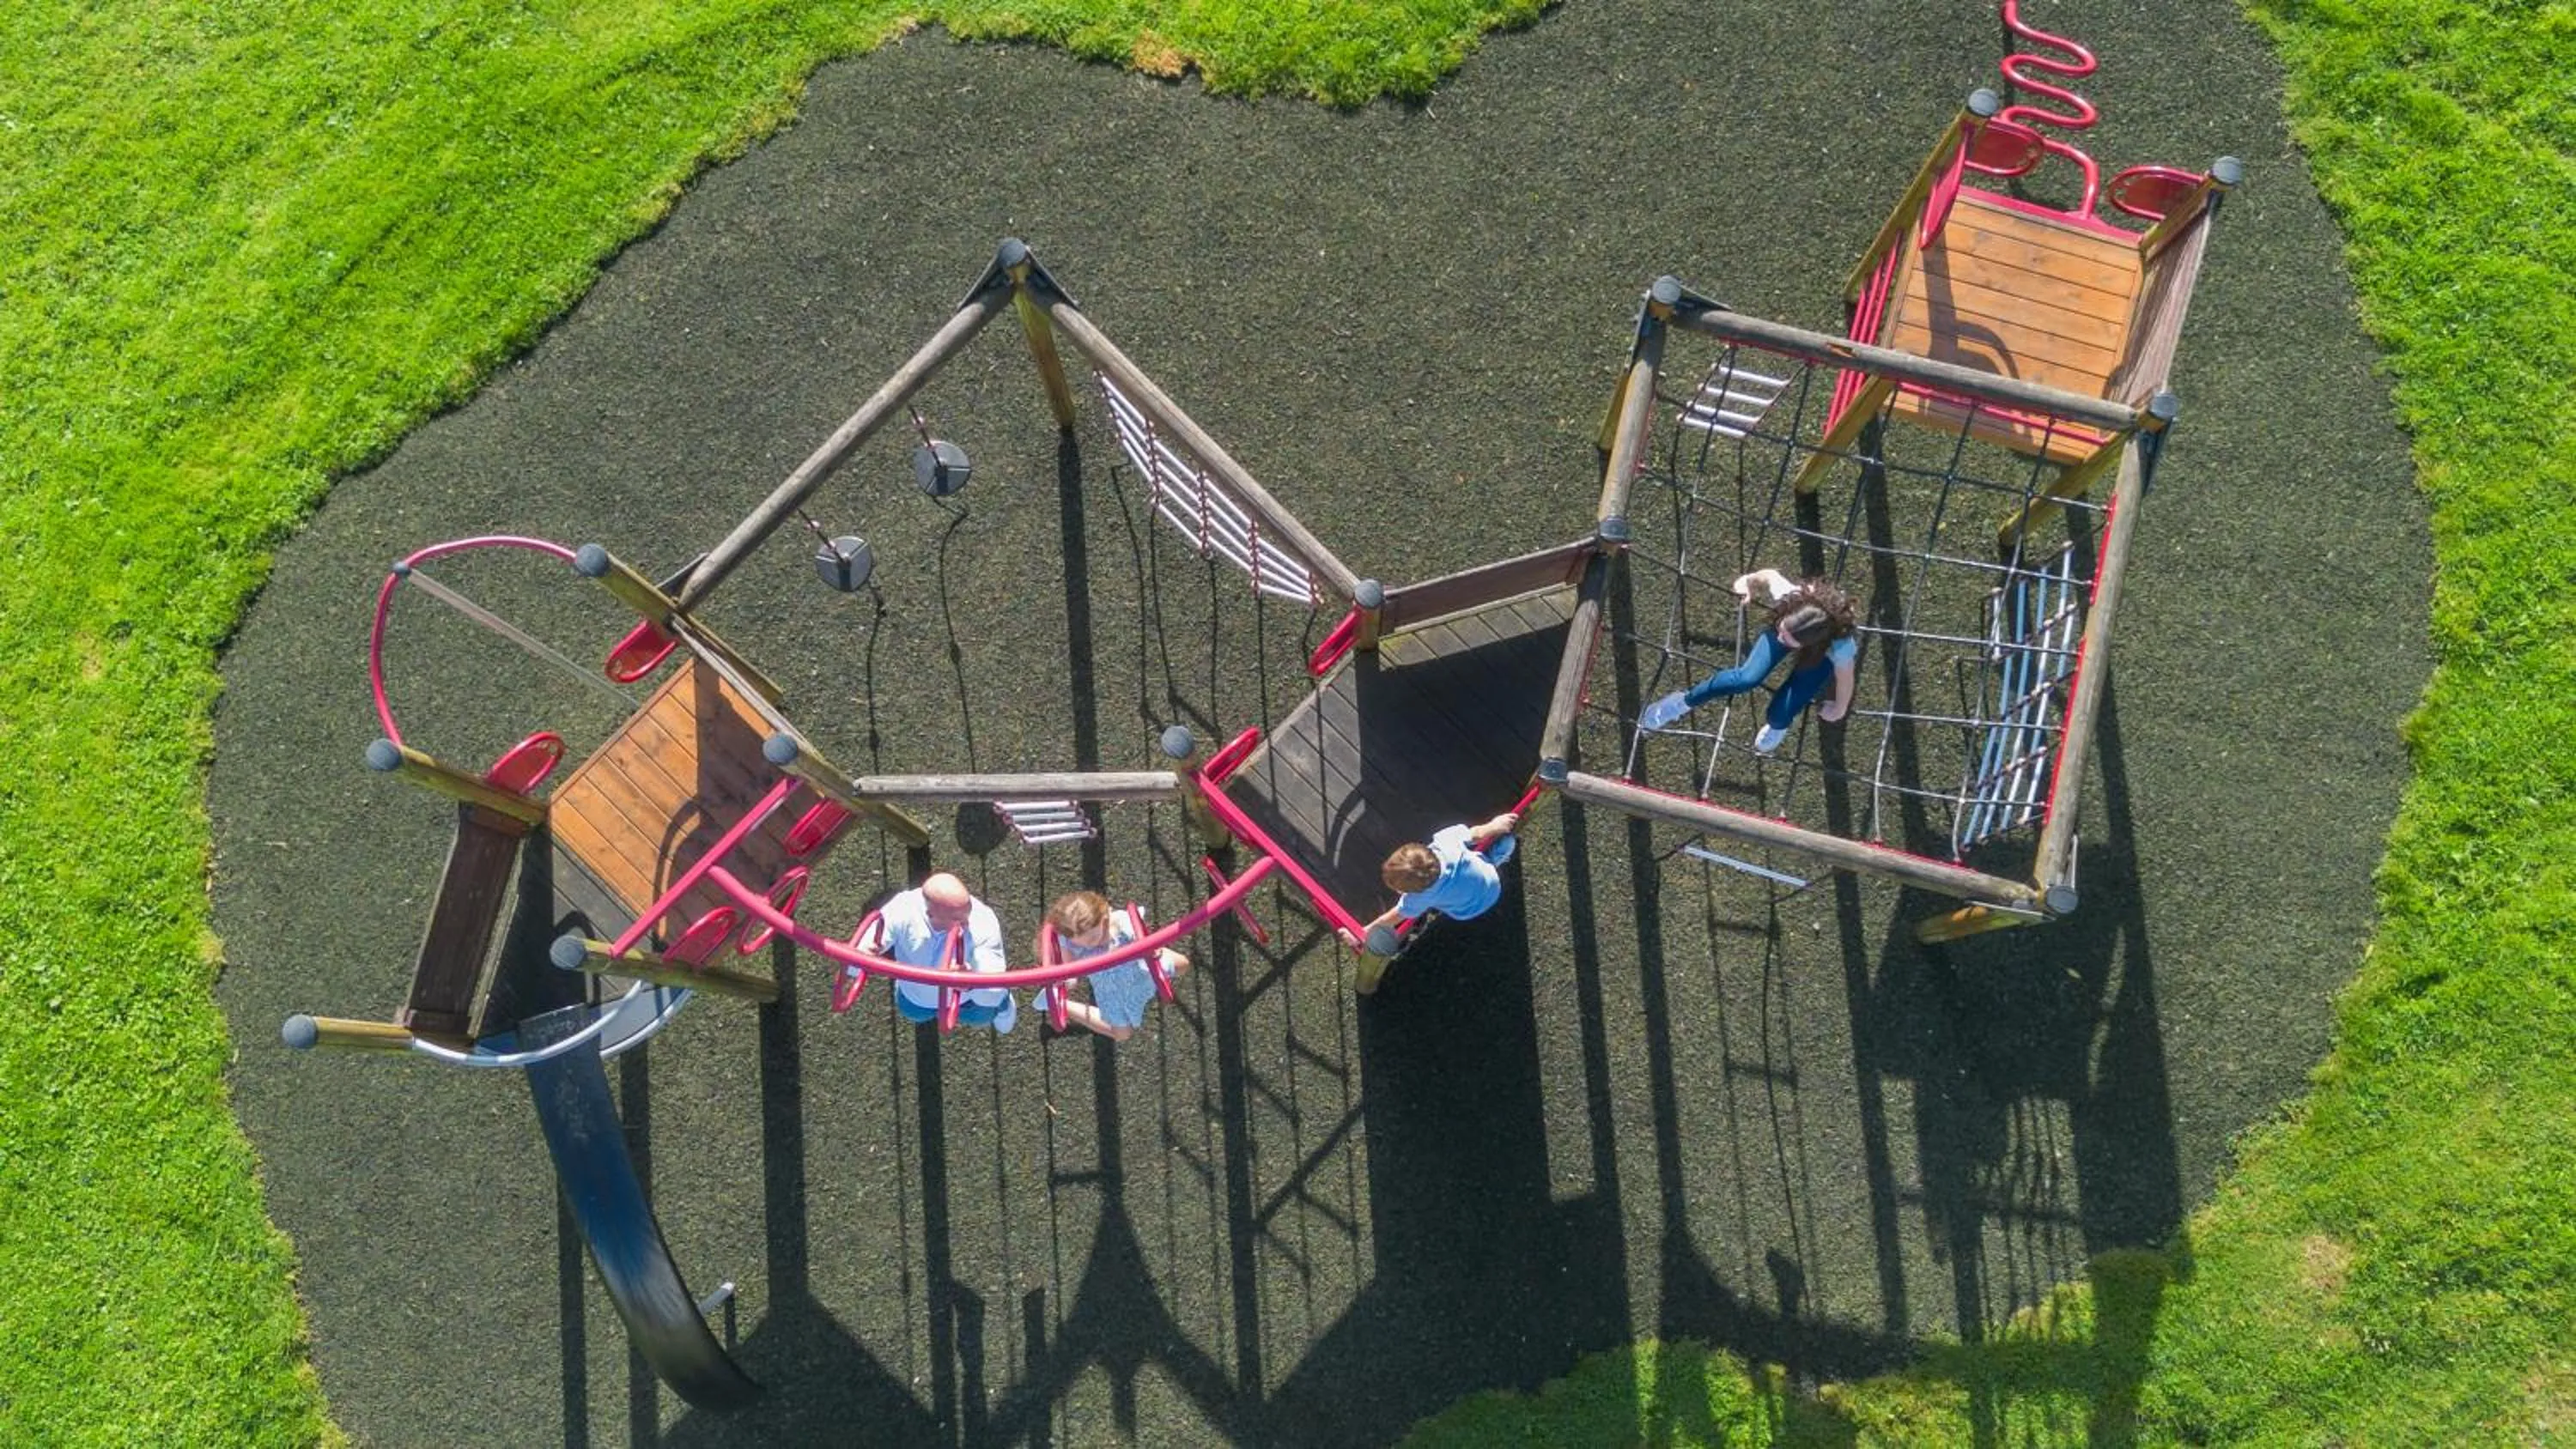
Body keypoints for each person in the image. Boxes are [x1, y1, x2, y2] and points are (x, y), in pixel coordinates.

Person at [1637, 569, 1858, 753]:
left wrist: (1839, 708)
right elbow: (1770, 574)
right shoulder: (1792, 598)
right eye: (1782, 629)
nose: (1781, 637)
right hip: (1801, 627)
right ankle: (1681, 702)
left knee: (1780, 712)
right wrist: (1747, 582)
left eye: (1788, 639)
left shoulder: (1839, 645)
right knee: (1745, 679)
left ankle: (1777, 726)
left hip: (1818, 654)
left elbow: (1845, 678)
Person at [1341, 809, 1522, 950]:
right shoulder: (1446, 843)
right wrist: (1494, 825)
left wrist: (1362, 934)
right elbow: (1476, 834)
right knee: (1479, 862)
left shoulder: (1420, 898)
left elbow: (1391, 918)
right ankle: (1494, 859)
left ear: (1414, 891)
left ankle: (1493, 861)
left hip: (1468, 910)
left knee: (1444, 900)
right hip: (1491, 882)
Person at [1040, 890, 1191, 1042]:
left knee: (1183, 964)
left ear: (1104, 919)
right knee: (1122, 1034)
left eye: (1093, 938)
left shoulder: (1119, 921)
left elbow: (1139, 933)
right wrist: (1067, 981)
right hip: (1113, 992)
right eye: (1082, 942)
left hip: (1140, 969)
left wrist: (1151, 947)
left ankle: (1158, 967)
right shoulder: (1069, 942)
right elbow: (1069, 970)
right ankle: (1061, 1005)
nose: (1089, 945)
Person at [880, 871, 1017, 1034]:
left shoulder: (983, 921)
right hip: (916, 997)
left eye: (968, 911)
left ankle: (1004, 1005)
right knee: (915, 1014)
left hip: (967, 1000)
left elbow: (993, 986)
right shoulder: (903, 907)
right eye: (957, 919)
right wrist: (868, 950)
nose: (967, 923)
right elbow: (870, 939)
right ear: (929, 914)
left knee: (984, 1012)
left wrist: (970, 983)